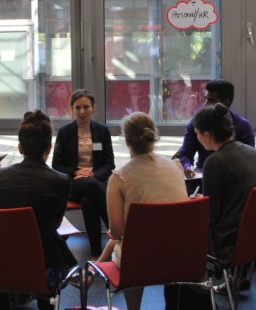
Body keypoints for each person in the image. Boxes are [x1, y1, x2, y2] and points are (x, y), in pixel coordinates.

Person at [92, 112, 188, 310]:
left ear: (127, 141)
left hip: (138, 263)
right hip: (180, 257)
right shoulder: (175, 167)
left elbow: (117, 232)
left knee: (130, 245)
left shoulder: (119, 178)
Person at [0, 110, 77, 310]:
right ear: (49, 149)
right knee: (54, 244)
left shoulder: (0, 177)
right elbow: (56, 223)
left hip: (1, 262)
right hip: (43, 264)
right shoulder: (60, 181)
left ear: (20, 147)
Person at [194, 103, 256, 292]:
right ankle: (232, 278)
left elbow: (211, 215)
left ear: (206, 134)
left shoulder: (214, 162)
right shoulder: (252, 153)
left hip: (229, 242)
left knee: (182, 232)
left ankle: (196, 292)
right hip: (250, 237)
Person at [52, 89, 115, 260]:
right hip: (73, 183)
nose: (81, 112)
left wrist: (93, 174)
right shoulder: (65, 132)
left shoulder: (102, 131)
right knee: (90, 187)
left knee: (89, 201)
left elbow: (110, 164)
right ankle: (117, 232)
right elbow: (56, 165)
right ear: (72, 109)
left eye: (86, 107)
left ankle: (95, 253)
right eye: (77, 107)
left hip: (96, 181)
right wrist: (76, 171)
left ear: (93, 108)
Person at [179, 79, 255, 181]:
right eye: (205, 99)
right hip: (203, 175)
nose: (205, 104)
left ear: (226, 103)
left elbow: (248, 159)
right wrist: (187, 166)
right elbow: (185, 154)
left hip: (235, 178)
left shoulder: (242, 126)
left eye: (211, 100)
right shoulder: (196, 123)